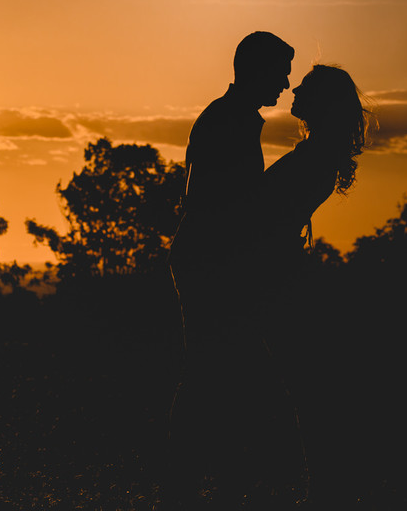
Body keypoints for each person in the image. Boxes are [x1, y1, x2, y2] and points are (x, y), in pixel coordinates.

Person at [166, 31, 294, 506]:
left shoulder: (230, 117)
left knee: (214, 370)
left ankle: (208, 480)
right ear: (257, 70)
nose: (285, 83)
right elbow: (221, 204)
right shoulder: (230, 121)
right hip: (212, 262)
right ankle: (195, 483)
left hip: (210, 259)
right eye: (280, 73)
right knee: (212, 370)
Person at [254, 64, 373, 506]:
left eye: (304, 86)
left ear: (322, 101)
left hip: (276, 276)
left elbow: (266, 213)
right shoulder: (318, 152)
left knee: (305, 386)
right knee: (305, 384)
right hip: (280, 271)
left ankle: (326, 487)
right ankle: (326, 484)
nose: (293, 89)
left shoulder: (316, 156)